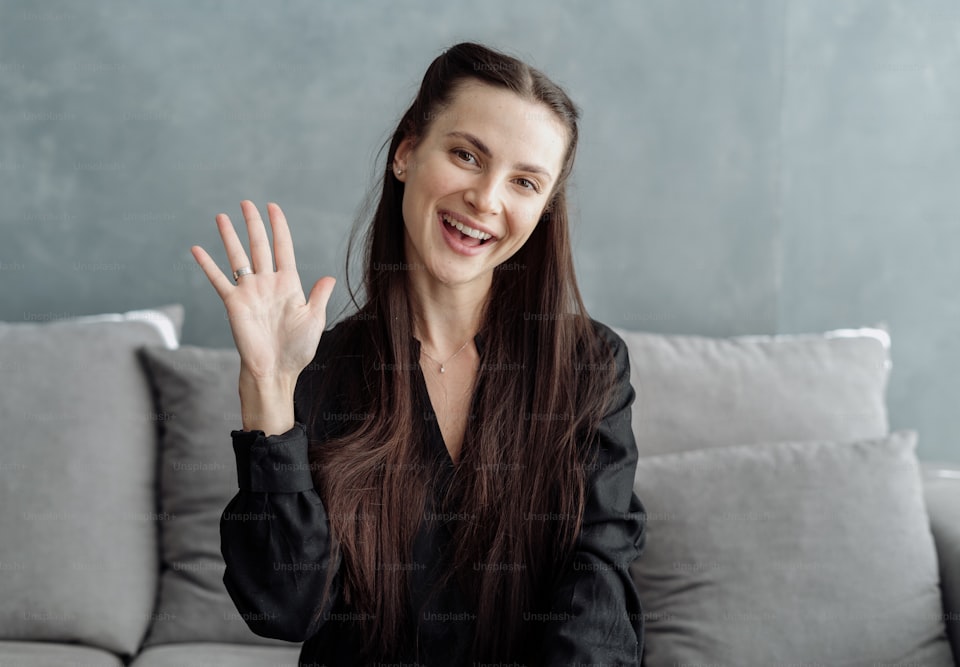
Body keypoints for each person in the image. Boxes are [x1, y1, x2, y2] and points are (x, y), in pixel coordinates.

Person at [191, 41, 646, 667]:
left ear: (543, 211)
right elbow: (284, 608)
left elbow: (596, 583)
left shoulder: (589, 365)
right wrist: (269, 384)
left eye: (523, 182)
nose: (486, 199)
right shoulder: (320, 368)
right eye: (466, 155)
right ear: (406, 153)